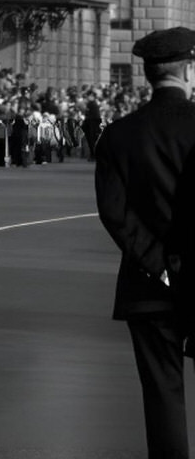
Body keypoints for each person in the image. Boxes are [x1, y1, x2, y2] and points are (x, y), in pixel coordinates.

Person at [98, 27, 195, 458]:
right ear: (188, 70)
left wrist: (158, 264)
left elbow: (115, 213)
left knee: (162, 394)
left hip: (149, 282)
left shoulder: (119, 134)